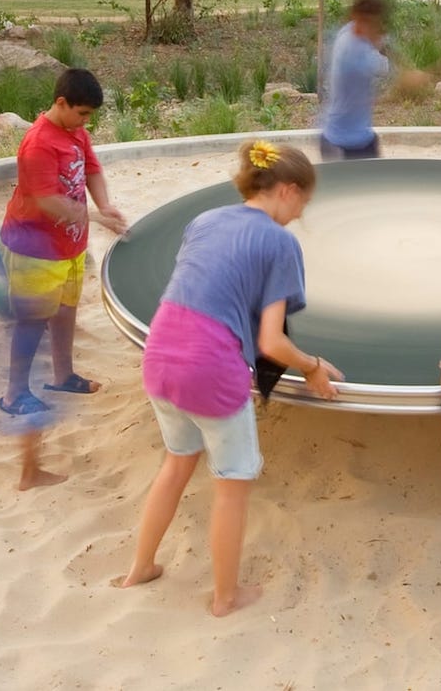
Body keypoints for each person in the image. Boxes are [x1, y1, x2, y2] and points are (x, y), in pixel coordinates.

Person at [117, 140, 343, 617]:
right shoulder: (280, 243)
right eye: (302, 203)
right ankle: (225, 597)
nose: (299, 215)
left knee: (175, 465)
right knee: (231, 486)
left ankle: (140, 567)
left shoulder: (204, 220)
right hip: (211, 367)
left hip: (160, 355)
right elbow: (271, 343)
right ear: (287, 190)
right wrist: (312, 366)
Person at [0, 68, 128, 486]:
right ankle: (14, 394)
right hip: (33, 246)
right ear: (61, 103)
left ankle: (63, 375)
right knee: (32, 320)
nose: (85, 122)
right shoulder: (38, 142)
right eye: (82, 113)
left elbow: (92, 171)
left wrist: (104, 206)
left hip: (69, 245)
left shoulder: (75, 133)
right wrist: (94, 217)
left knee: (66, 309)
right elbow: (46, 201)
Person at [319, 0, 393, 159]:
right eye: (374, 24)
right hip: (343, 144)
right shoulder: (357, 54)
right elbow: (386, 70)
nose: (378, 29)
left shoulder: (347, 32)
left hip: (354, 137)